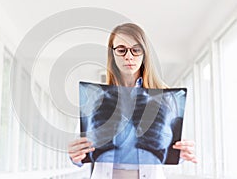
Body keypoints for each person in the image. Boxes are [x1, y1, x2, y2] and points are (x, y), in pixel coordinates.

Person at [68, 23, 197, 179]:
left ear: (144, 54)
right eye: (121, 50)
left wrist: (182, 153)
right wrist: (76, 156)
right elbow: (81, 149)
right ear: (112, 54)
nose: (128, 56)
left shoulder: (167, 99)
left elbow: (173, 148)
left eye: (136, 50)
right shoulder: (96, 99)